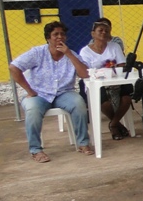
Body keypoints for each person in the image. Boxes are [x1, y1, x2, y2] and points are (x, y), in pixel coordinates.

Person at [9, 21, 94, 161]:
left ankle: (83, 143)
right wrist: (29, 91)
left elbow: (85, 74)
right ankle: (36, 150)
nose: (59, 37)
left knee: (79, 103)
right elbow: (14, 67)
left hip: (63, 93)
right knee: (32, 110)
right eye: (55, 34)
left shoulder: (70, 53)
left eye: (62, 34)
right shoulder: (37, 53)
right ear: (48, 38)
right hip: (39, 94)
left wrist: (69, 54)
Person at [79, 18, 133, 141]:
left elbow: (121, 65)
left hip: (116, 80)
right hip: (97, 83)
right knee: (103, 101)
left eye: (106, 31)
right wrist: (108, 68)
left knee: (127, 97)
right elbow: (88, 71)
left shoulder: (114, 46)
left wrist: (106, 68)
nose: (104, 33)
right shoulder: (85, 51)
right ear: (93, 33)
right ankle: (116, 125)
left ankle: (113, 124)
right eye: (100, 30)